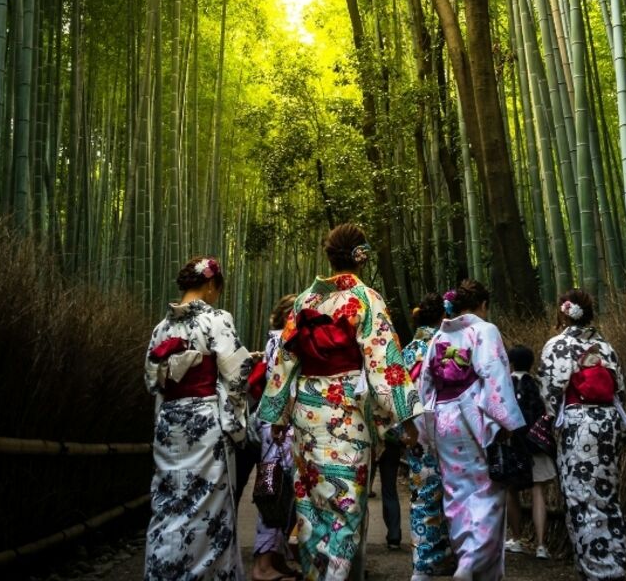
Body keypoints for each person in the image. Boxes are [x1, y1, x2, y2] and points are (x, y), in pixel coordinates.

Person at [258, 223, 421, 581]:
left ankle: (319, 575)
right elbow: (385, 363)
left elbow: (285, 361)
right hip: (347, 409)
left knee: (312, 504)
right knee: (345, 506)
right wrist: (406, 417)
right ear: (361, 257)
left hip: (307, 409)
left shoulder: (305, 300)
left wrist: (277, 414)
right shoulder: (365, 299)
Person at [144, 256, 249, 581]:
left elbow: (152, 381)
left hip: (170, 424)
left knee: (169, 500)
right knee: (207, 506)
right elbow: (237, 376)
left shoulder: (161, 328)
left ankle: (163, 570)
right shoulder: (217, 320)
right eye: (218, 288)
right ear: (209, 285)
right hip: (205, 424)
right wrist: (236, 425)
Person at [418, 279, 525, 581]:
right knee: (487, 492)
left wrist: (424, 428)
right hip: (472, 418)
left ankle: (465, 555)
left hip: (443, 418)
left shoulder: (440, 335)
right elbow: (493, 373)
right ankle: (472, 563)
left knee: (455, 493)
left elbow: (425, 382)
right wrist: (507, 422)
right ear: (482, 305)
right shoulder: (484, 330)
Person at [537, 289, 626, 581]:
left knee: (581, 497)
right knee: (607, 496)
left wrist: (553, 421)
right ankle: (615, 565)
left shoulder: (557, 345)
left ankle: (597, 570)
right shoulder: (606, 346)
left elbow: (550, 391)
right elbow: (621, 390)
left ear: (563, 312)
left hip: (578, 425)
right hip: (609, 422)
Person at [401, 293, 455, 581]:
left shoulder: (408, 350)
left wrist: (401, 429)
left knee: (422, 494)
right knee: (454, 493)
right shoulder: (445, 345)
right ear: (443, 317)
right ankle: (441, 558)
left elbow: (398, 393)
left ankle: (424, 560)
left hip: (416, 430)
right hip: (447, 427)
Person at [252, 294, 299, 581]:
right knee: (273, 491)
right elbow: (285, 387)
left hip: (273, 423)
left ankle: (276, 559)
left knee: (283, 493)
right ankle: (263, 565)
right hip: (280, 425)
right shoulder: (284, 342)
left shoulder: (274, 341)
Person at [504, 344, 556, 560]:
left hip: (512, 445)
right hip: (536, 445)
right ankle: (541, 545)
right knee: (538, 492)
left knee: (511, 491)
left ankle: (516, 539)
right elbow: (550, 412)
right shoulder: (537, 385)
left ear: (511, 363)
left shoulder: (505, 385)